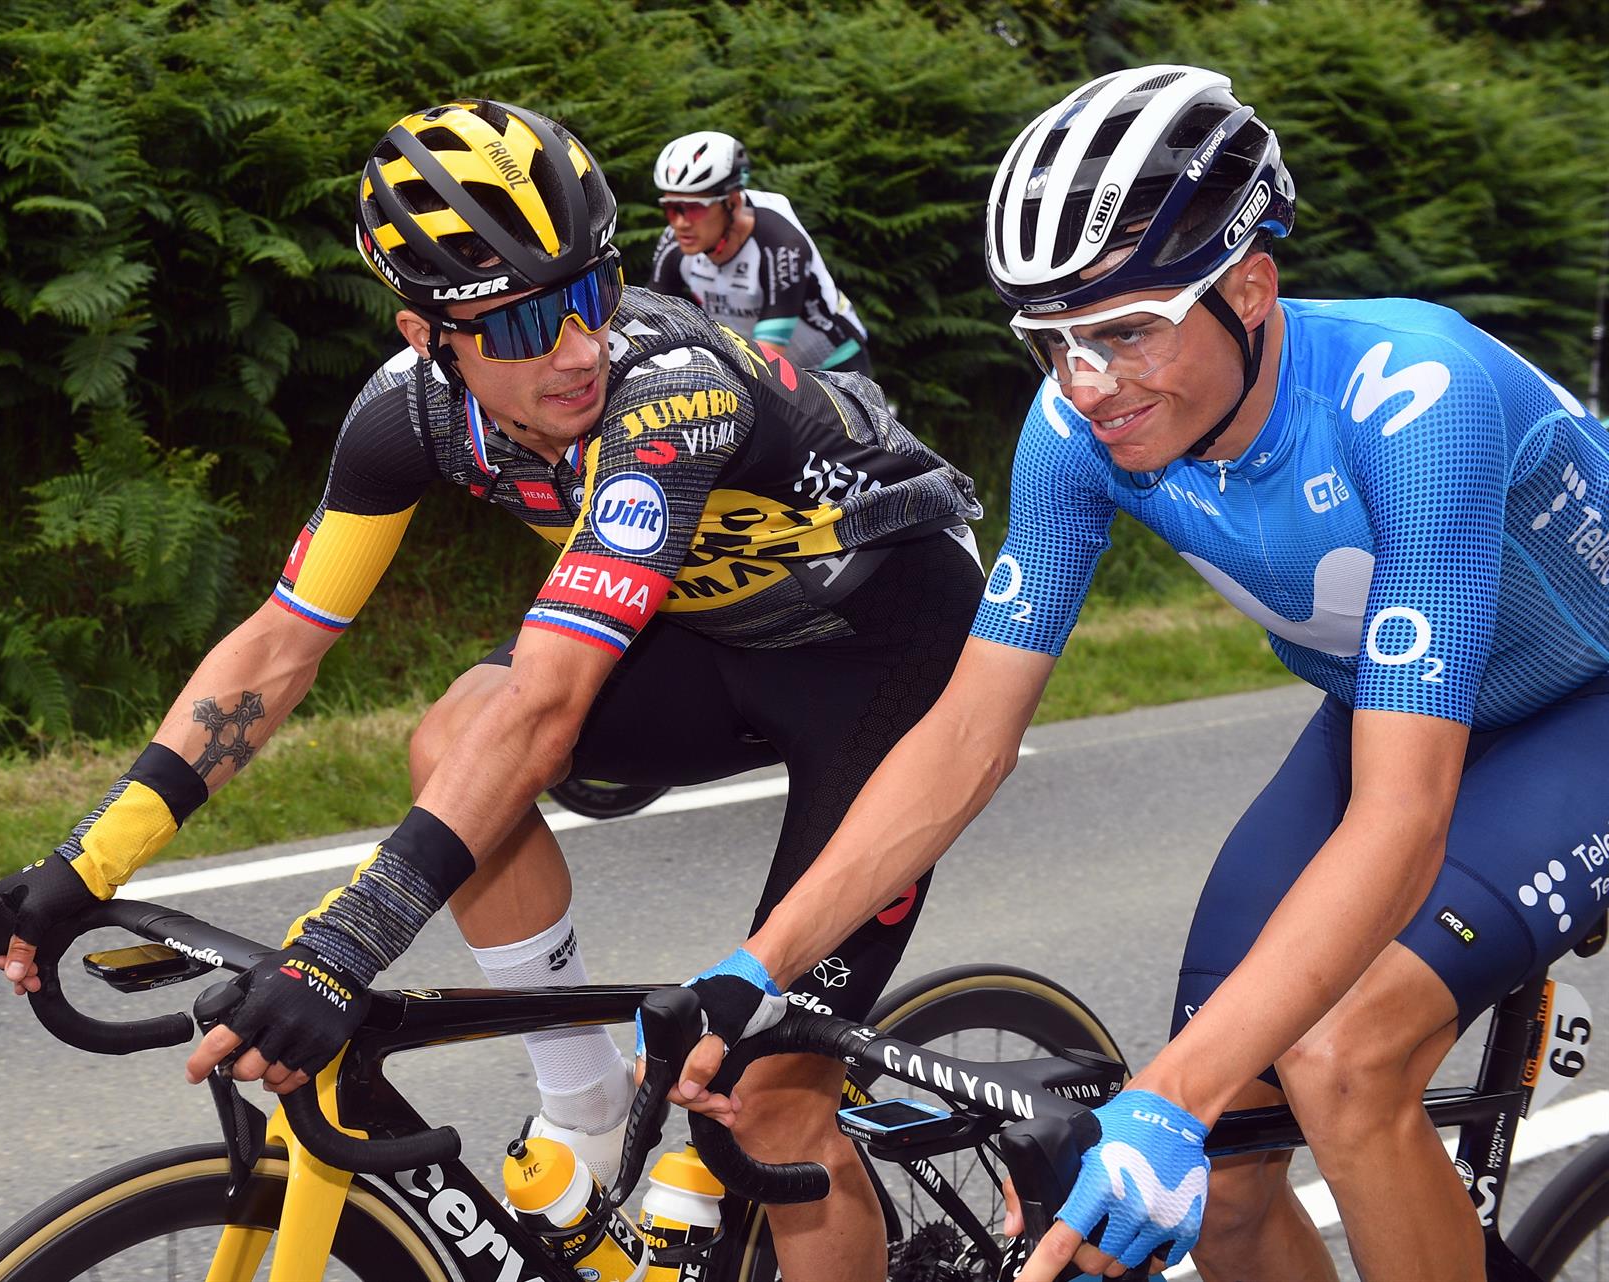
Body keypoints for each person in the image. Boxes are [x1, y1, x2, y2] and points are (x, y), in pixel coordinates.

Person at [0, 98, 984, 1277]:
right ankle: (586, 1103)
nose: (580, 346)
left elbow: (549, 707)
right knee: (452, 736)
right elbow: (280, 644)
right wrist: (85, 862)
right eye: (531, 319)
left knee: (770, 1103)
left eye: (594, 290)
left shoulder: (669, 392)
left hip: (892, 654)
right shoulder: (406, 415)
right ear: (428, 333)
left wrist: (343, 947)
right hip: (717, 634)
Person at [654, 63, 1609, 1282]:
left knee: (1341, 1061)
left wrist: (1168, 1097)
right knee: (1223, 1183)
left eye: (1127, 330)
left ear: (1249, 287)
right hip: (1393, 703)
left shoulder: (1417, 400)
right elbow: (967, 734)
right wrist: (760, 962)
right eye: (1052, 340)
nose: (1087, 382)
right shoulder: (1075, 431)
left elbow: (1403, 815)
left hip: (1583, 705)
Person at [648, 129, 874, 376]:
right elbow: (651, 323)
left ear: (733, 203)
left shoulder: (782, 244)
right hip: (761, 366)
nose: (680, 223)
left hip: (833, 362)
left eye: (694, 209)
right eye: (671, 209)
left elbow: (767, 358)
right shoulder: (674, 242)